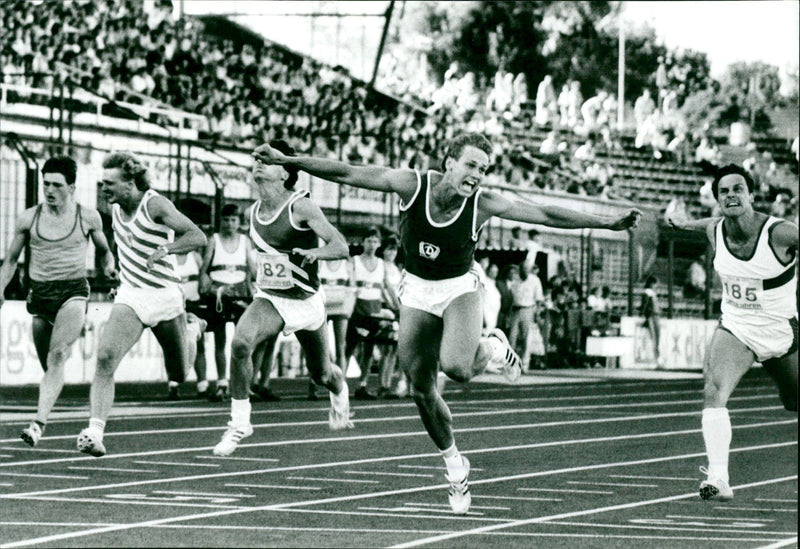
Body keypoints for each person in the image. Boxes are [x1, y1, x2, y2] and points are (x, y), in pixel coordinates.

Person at [252, 132, 641, 514]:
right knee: (420, 389)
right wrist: (289, 161)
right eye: (471, 165)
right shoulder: (411, 185)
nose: (476, 175)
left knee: (456, 367)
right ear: (449, 162)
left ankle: (491, 346)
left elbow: (546, 213)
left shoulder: (484, 204)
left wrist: (606, 222)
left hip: (459, 287)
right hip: (417, 289)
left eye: (483, 169)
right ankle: (455, 465)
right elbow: (350, 172)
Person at [213, 140, 353, 457]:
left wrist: (314, 253)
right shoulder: (251, 213)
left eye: (268, 160)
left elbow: (341, 247)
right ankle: (239, 423)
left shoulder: (300, 206)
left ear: (285, 173)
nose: (259, 164)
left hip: (307, 302)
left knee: (321, 375)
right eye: (256, 159)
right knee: (240, 343)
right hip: (272, 298)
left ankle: (339, 387)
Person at [668, 164, 797, 502]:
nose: (731, 195)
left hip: (781, 330)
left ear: (751, 194)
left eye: (738, 188)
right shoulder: (715, 230)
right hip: (736, 327)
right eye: (723, 192)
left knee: (794, 400)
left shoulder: (780, 233)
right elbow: (705, 224)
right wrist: (680, 224)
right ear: (717, 200)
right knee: (712, 388)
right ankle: (718, 477)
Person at [76, 152, 207, 456]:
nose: (103, 188)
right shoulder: (114, 210)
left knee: (178, 374)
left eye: (110, 183)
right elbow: (128, 249)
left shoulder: (155, 204)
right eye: (101, 182)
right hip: (132, 294)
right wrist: (118, 272)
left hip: (165, 296)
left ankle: (192, 331)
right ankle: (94, 431)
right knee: (106, 357)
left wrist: (167, 248)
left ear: (130, 183)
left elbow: (197, 236)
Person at [0, 156, 115, 447]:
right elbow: (11, 260)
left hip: (73, 292)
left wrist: (109, 267)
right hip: (39, 296)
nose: (49, 190)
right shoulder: (29, 217)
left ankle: (38, 424)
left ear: (72, 187)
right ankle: (75, 338)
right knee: (50, 366)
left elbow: (105, 251)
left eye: (56, 185)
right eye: (45, 183)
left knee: (57, 356)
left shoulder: (88, 217)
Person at [199, 204, 255, 402]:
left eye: (233, 220)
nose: (229, 224)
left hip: (240, 292)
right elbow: (204, 269)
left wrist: (252, 285)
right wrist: (206, 287)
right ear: (221, 221)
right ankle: (222, 383)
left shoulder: (245, 241)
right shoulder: (213, 240)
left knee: (245, 341)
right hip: (220, 292)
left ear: (239, 223)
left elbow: (252, 269)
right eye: (226, 220)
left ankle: (244, 384)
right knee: (220, 340)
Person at [343, 227, 397, 400]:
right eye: (369, 240)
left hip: (374, 310)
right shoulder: (354, 261)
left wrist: (397, 307)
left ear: (379, 244)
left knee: (368, 349)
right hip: (356, 310)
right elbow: (350, 283)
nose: (372, 244)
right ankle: (340, 385)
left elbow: (386, 287)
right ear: (363, 242)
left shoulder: (381, 264)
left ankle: (362, 385)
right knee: (348, 348)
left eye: (375, 241)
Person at [313, 256, 356, 400]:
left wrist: (349, 309)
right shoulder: (320, 262)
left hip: (341, 308)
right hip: (322, 308)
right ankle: (313, 386)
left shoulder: (347, 264)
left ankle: (341, 386)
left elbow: (352, 288)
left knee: (340, 347)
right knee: (318, 346)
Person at [175, 250, 210, 399]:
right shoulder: (168, 256)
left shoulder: (195, 257)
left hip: (194, 304)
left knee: (199, 345)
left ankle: (202, 384)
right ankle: (173, 385)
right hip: (174, 305)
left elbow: (204, 279)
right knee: (173, 344)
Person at [640, 275, 663, 368]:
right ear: (651, 283)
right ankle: (654, 358)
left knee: (657, 337)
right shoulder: (647, 292)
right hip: (651, 316)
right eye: (655, 283)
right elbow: (645, 305)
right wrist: (645, 315)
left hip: (656, 316)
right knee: (653, 337)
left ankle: (657, 357)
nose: (656, 286)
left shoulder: (652, 293)